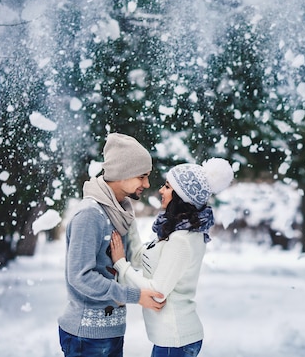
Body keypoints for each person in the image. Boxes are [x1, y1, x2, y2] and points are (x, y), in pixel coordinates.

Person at [110, 158, 234, 357]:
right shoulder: (176, 231)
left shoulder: (182, 240)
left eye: (167, 187)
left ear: (181, 196)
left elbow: (157, 291)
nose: (160, 190)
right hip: (172, 339)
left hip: (176, 339)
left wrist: (120, 265)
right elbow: (141, 259)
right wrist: (129, 221)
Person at [58, 133, 166, 357]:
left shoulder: (121, 212)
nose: (146, 184)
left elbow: (133, 258)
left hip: (111, 331)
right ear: (123, 173)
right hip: (86, 335)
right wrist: (134, 295)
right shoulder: (90, 214)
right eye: (142, 176)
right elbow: (80, 276)